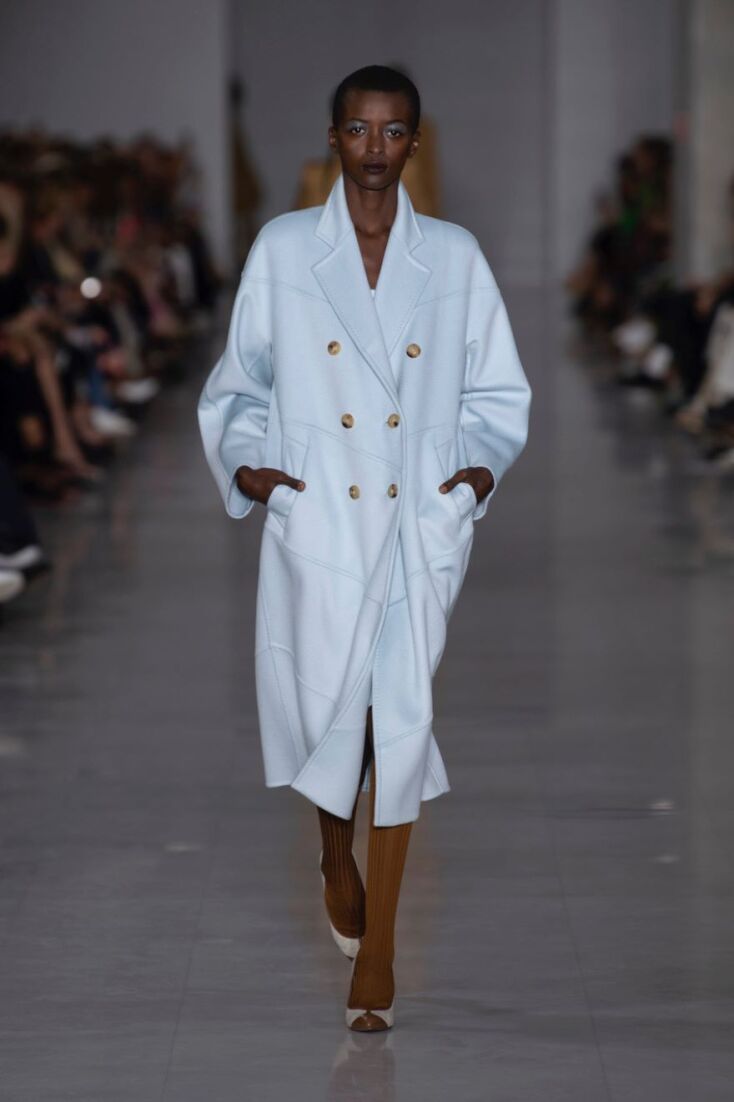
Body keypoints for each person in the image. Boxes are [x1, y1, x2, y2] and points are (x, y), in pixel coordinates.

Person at [197, 65, 531, 1031]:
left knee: (399, 717)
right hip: (321, 515)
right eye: (358, 129)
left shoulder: (454, 257)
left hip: (417, 516)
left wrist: (474, 476)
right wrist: (255, 470)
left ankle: (379, 952)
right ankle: (332, 856)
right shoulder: (284, 247)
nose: (374, 147)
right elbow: (240, 383)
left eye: (392, 131)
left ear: (414, 143)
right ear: (333, 136)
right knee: (329, 703)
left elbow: (497, 390)